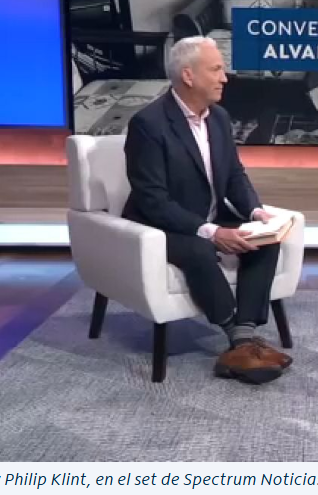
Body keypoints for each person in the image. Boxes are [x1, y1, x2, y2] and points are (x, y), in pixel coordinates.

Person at [122, 36, 291, 385]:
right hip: (161, 226)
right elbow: (153, 200)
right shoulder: (149, 125)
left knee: (265, 241)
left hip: (209, 215)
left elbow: (234, 175)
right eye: (216, 69)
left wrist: (256, 212)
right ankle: (239, 342)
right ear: (188, 75)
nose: (224, 77)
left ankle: (243, 338)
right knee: (200, 249)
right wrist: (213, 232)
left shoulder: (219, 118)